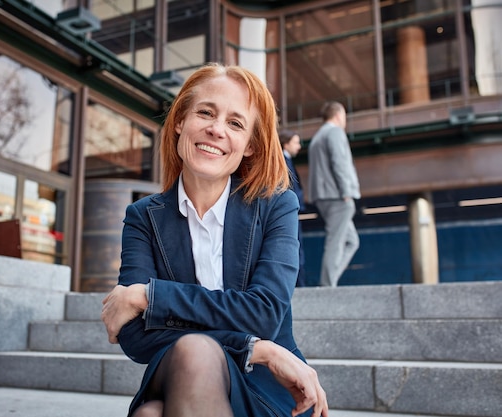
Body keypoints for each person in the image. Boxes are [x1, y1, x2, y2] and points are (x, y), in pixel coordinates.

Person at [101, 63, 328, 417]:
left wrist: (150, 296)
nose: (216, 129)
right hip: (191, 368)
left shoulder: (277, 206)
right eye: (205, 113)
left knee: (151, 415)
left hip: (267, 386)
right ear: (179, 121)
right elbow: (134, 336)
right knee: (194, 353)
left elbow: (264, 312)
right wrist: (255, 348)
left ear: (250, 145)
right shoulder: (143, 217)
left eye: (235, 123)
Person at [307, 101, 360, 287]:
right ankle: (328, 286)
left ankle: (330, 280)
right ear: (338, 115)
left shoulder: (318, 137)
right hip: (337, 195)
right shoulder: (335, 132)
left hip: (323, 195)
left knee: (351, 241)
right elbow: (340, 163)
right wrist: (346, 192)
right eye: (344, 116)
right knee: (336, 241)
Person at [279, 130, 306, 287]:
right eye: (296, 142)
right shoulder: (283, 161)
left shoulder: (286, 160)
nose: (299, 146)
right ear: (286, 144)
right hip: (290, 212)